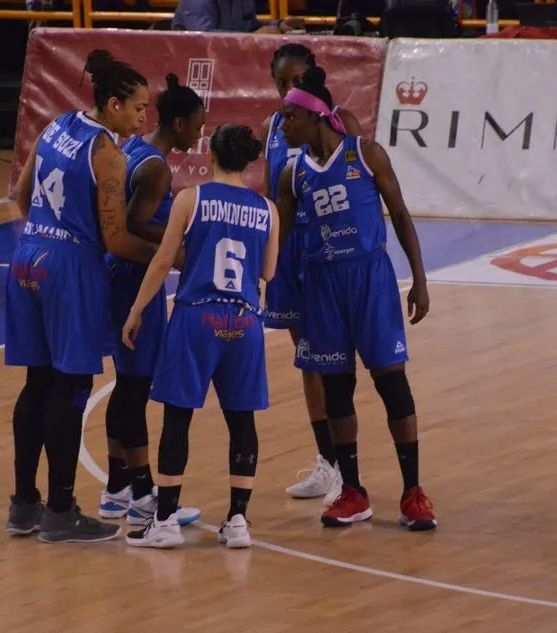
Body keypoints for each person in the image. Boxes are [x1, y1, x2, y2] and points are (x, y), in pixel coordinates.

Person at [3, 49, 157, 544]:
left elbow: (23, 194)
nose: (143, 118)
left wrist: (49, 232)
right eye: (137, 108)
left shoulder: (54, 125)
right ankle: (61, 510)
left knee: (36, 383)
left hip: (28, 254)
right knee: (70, 389)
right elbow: (115, 240)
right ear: (112, 105)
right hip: (69, 268)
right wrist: (170, 254)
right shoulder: (107, 154)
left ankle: (24, 504)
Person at [276, 65, 437, 531]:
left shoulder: (365, 155)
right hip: (322, 285)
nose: (282, 125)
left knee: (392, 383)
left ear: (316, 118)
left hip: (371, 279)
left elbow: (402, 216)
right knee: (337, 389)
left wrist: (420, 280)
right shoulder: (293, 174)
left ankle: (413, 492)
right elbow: (280, 238)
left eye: (289, 117)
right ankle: (353, 491)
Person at [120, 124, 279, 549]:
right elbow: (268, 272)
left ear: (211, 157)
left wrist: (136, 310)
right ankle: (239, 521)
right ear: (247, 163)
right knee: (241, 419)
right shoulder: (267, 208)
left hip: (197, 317)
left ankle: (166, 521)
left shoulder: (191, 198)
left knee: (178, 416)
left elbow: (162, 262)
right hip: (244, 322)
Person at [99, 73, 206, 528]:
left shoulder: (135, 149)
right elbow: (134, 222)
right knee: (136, 386)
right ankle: (143, 493)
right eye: (199, 123)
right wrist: (180, 245)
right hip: (132, 278)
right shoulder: (157, 167)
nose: (203, 132)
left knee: (127, 383)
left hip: (116, 273)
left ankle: (116, 487)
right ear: (180, 124)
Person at [261, 44, 362, 506]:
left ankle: (347, 467)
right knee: (306, 358)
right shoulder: (275, 128)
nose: (288, 90)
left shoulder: (340, 125)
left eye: (296, 79)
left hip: (326, 248)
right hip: (291, 249)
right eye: (281, 82)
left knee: (333, 360)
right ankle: (328, 463)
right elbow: (272, 194)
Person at [171, 0, 305, 33]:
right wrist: (250, 38)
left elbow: (251, 26)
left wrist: (278, 26)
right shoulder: (197, 2)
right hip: (195, 64)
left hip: (231, 63)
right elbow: (204, 38)